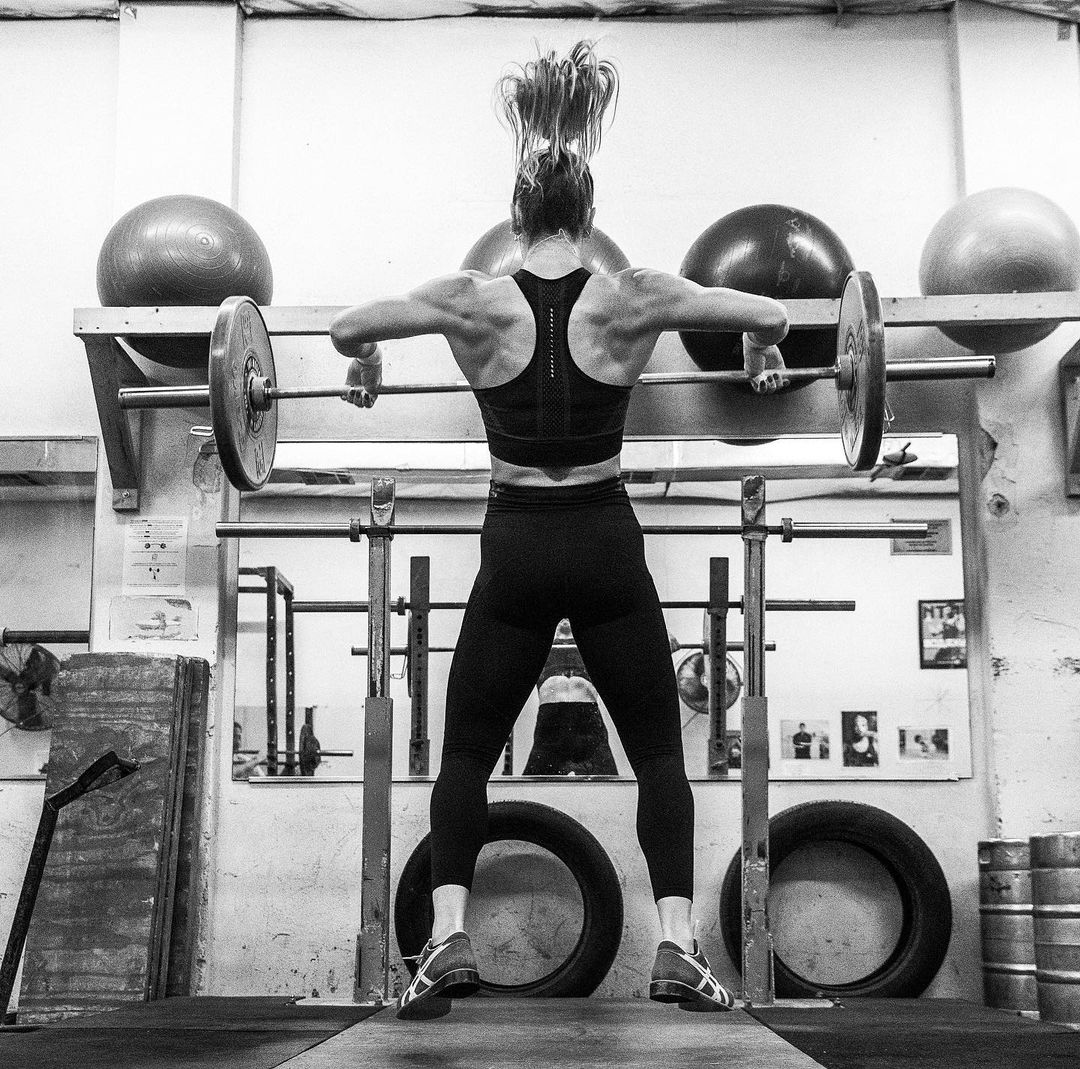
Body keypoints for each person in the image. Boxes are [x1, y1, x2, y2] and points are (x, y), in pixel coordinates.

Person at [329, 40, 789, 1021]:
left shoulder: (468, 300)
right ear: (588, 218)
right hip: (605, 538)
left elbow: (345, 327)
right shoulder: (635, 294)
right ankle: (678, 948)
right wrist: (757, 349)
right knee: (658, 754)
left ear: (516, 218)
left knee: (465, 753)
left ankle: (445, 939)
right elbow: (773, 309)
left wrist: (365, 366)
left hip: (516, 545)